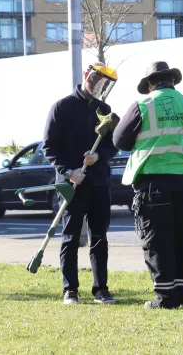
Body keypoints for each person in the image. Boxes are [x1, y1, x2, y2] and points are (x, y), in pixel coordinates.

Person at [112, 61, 183, 309]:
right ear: (173, 81)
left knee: (157, 239)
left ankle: (166, 297)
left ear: (149, 83)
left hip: (155, 182)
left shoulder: (142, 106)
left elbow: (119, 141)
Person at [42, 63, 120, 305]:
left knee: (100, 237)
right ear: (87, 76)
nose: (100, 87)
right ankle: (70, 290)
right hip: (72, 184)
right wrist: (68, 171)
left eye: (105, 84)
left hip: (99, 183)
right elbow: (49, 147)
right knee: (70, 236)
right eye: (97, 81)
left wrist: (99, 156)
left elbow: (113, 144)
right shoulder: (61, 107)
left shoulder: (105, 110)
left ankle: (101, 289)